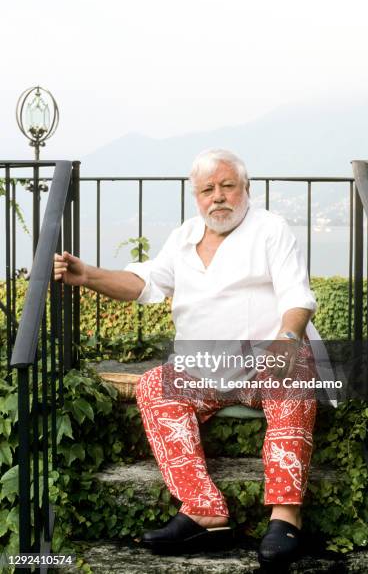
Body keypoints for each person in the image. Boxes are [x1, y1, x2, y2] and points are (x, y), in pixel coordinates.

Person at [54, 149, 323, 570]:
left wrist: (287, 341)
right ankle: (203, 509)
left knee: (294, 376)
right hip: (203, 369)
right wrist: (87, 275)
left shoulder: (270, 229)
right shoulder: (183, 237)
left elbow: (296, 297)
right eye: (206, 190)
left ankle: (286, 516)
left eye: (226, 186)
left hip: (265, 365)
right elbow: (143, 283)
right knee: (154, 385)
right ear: (196, 197)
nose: (217, 197)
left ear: (245, 189)